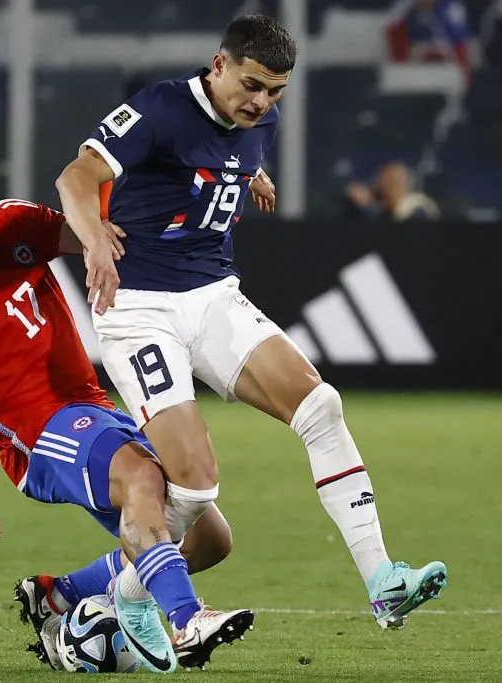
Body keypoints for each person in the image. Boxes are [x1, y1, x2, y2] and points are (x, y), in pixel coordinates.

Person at [53, 14, 448, 631]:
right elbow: (76, 176)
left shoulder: (258, 123)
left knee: (321, 406)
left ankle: (382, 581)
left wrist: (249, 174)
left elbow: (226, 155)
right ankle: (111, 595)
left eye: (276, 92)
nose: (261, 102)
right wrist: (94, 240)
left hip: (213, 296)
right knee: (195, 488)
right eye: (252, 85)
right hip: (141, 311)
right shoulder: (159, 108)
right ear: (219, 65)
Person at [0, 148, 253, 673]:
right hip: (35, 434)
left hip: (91, 406)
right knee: (142, 481)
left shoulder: (12, 223)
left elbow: (95, 235)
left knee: (209, 539)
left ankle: (61, 596)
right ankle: (186, 620)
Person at [345, 162, 440, 222]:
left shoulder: (418, 210)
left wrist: (367, 208)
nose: (382, 189)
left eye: (390, 183)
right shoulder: (386, 211)